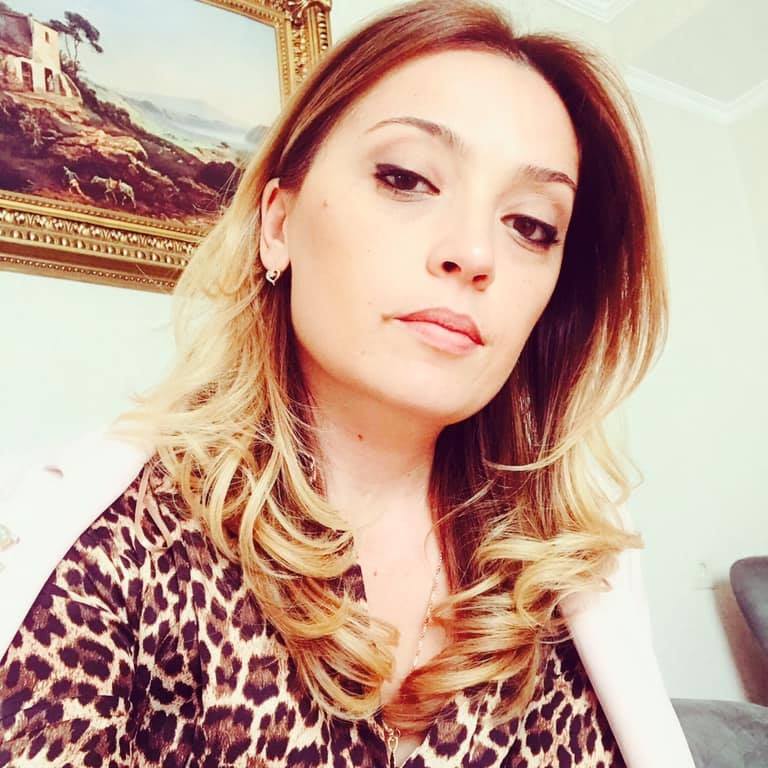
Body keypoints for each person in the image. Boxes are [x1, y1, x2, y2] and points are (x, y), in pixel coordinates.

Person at [0, 1, 697, 766]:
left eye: (531, 225)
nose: (475, 254)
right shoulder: (108, 546)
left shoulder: (578, 566)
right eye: (406, 178)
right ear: (278, 225)